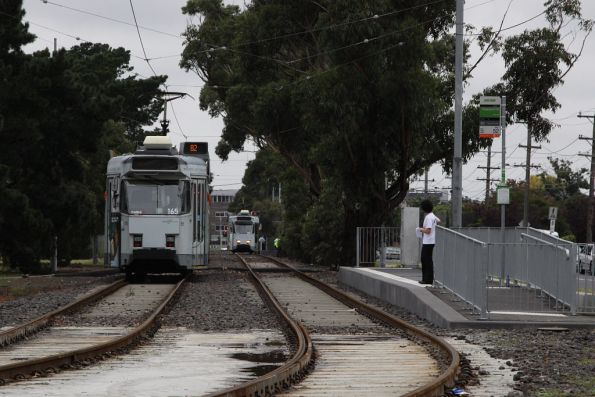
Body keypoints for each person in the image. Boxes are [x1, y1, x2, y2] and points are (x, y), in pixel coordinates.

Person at [416, 200, 440, 285]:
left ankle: (427, 279)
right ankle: (428, 279)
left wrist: (420, 229)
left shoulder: (428, 217)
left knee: (425, 260)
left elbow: (428, 230)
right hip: (431, 241)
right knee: (428, 260)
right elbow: (439, 220)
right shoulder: (432, 216)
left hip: (428, 241)